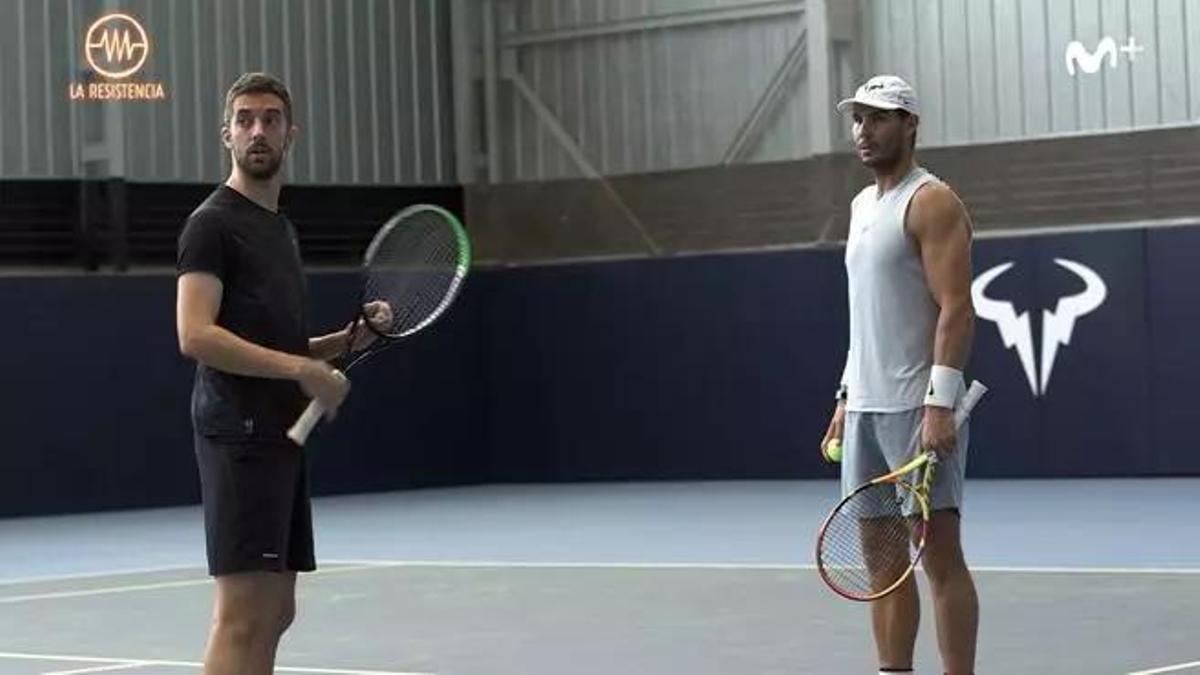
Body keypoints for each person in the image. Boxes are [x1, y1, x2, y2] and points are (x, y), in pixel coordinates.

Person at [175, 72, 374, 674]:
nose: (257, 130)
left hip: (279, 436)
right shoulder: (212, 224)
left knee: (275, 611)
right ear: (227, 135)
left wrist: (341, 343)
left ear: (291, 134)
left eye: (270, 119)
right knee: (243, 616)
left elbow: (272, 341)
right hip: (239, 435)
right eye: (245, 120)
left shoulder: (279, 229)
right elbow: (196, 334)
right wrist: (300, 368)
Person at [820, 75, 978, 675]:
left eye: (879, 118)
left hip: (915, 409)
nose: (864, 130)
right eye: (858, 119)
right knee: (882, 563)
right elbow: (866, 318)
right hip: (864, 409)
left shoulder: (932, 201)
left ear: (910, 124)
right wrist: (845, 397)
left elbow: (956, 308)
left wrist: (939, 403)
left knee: (938, 557)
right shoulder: (862, 206)